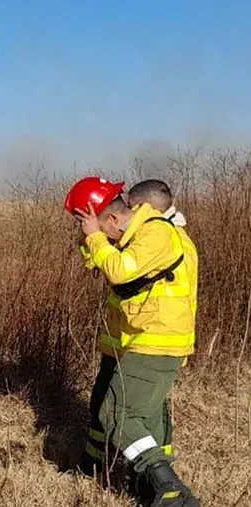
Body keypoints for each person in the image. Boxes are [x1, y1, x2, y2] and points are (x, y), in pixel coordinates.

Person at [65, 176, 199, 507]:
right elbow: (102, 262)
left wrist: (95, 237)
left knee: (119, 413)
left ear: (111, 219)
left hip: (157, 341)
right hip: (135, 339)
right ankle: (141, 481)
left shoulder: (157, 233)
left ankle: (169, 489)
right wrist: (92, 240)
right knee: (139, 414)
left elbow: (121, 270)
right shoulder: (137, 233)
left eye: (98, 225)